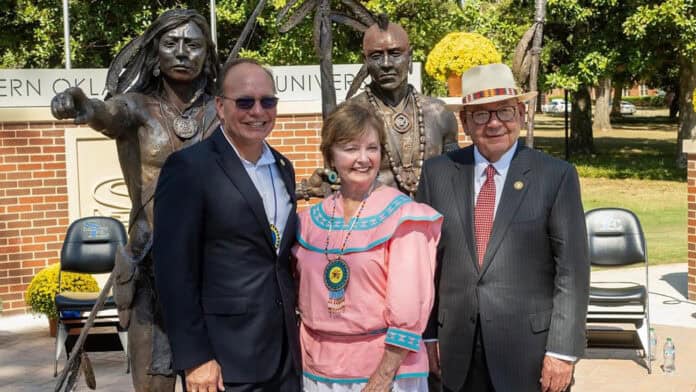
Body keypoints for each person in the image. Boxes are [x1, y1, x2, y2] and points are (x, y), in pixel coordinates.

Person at [50, 9, 219, 391]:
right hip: (150, 267)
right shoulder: (136, 107)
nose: (181, 53)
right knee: (153, 385)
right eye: (170, 44)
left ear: (206, 54)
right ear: (154, 53)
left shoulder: (222, 109)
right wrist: (81, 104)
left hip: (213, 268)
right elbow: (102, 113)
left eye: (192, 45)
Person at [415, 63, 590, 392]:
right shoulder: (437, 174)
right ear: (465, 122)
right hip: (456, 352)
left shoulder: (556, 176)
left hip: (531, 355)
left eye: (505, 111)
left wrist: (562, 351)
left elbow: (573, 271)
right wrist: (430, 334)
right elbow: (426, 266)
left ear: (522, 114)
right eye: (481, 114)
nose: (494, 123)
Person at [153, 58, 301, 392]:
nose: (257, 111)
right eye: (245, 102)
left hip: (285, 357)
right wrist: (195, 357)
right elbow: (173, 272)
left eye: (268, 101)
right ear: (220, 106)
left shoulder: (282, 166)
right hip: (223, 363)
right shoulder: (189, 168)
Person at [292, 101, 443, 391]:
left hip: (386, 375)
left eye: (371, 148)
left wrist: (383, 377)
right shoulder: (308, 223)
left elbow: (409, 306)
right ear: (330, 156)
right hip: (317, 373)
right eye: (350, 149)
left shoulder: (404, 216)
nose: (363, 159)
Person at [299, 17, 458, 200]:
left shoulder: (439, 113)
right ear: (364, 60)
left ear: (410, 56)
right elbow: (333, 181)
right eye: (376, 56)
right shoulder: (350, 115)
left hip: (431, 223)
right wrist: (307, 189)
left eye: (395, 53)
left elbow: (457, 176)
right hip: (371, 223)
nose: (386, 64)